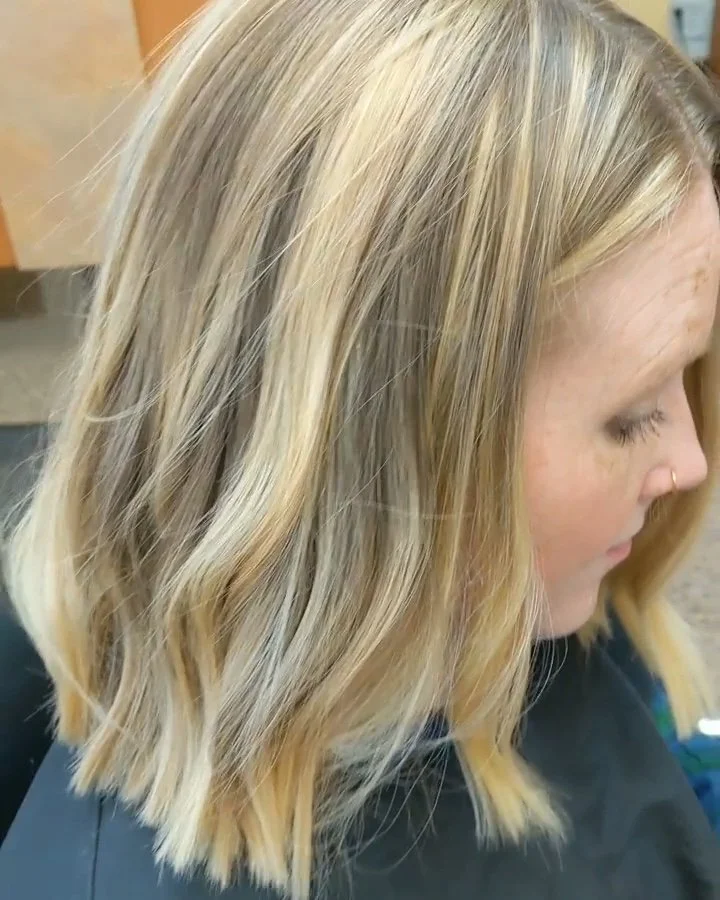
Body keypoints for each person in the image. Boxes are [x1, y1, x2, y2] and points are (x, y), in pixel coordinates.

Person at [1, 0, 719, 897]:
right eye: (627, 417)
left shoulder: (543, 591)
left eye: (684, 379)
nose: (690, 464)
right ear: (365, 451)